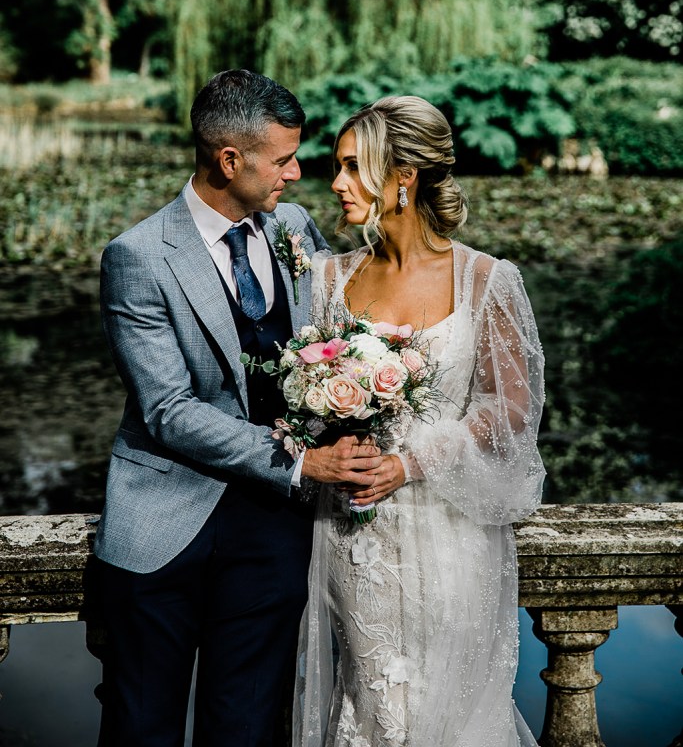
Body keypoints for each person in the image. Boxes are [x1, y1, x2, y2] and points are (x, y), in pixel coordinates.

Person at [92, 69, 382, 747]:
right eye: (282, 158)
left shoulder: (292, 228)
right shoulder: (138, 256)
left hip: (271, 530)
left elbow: (336, 335)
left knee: (250, 728)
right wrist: (303, 461)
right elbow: (167, 409)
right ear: (230, 159)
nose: (296, 171)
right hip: (165, 526)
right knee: (142, 728)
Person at [294, 95, 546, 747]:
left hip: (450, 531)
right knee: (375, 704)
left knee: (452, 714)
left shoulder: (484, 279)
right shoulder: (327, 279)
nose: (336, 183)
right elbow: (302, 395)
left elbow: (508, 407)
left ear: (402, 175)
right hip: (359, 538)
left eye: (353, 167)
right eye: (335, 167)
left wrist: (410, 462)